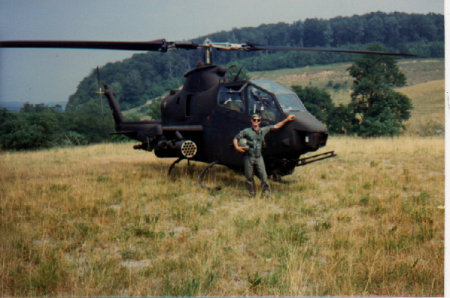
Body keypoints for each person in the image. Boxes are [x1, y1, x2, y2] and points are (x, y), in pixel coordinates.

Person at [233, 113, 295, 197]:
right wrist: (237, 147)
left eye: (258, 120)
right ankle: (252, 194)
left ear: (259, 122)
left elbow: (276, 126)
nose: (256, 122)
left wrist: (286, 120)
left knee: (263, 176)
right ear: (251, 121)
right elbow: (236, 138)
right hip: (249, 157)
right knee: (249, 176)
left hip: (259, 157)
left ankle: (266, 193)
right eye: (254, 120)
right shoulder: (247, 131)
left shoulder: (263, 130)